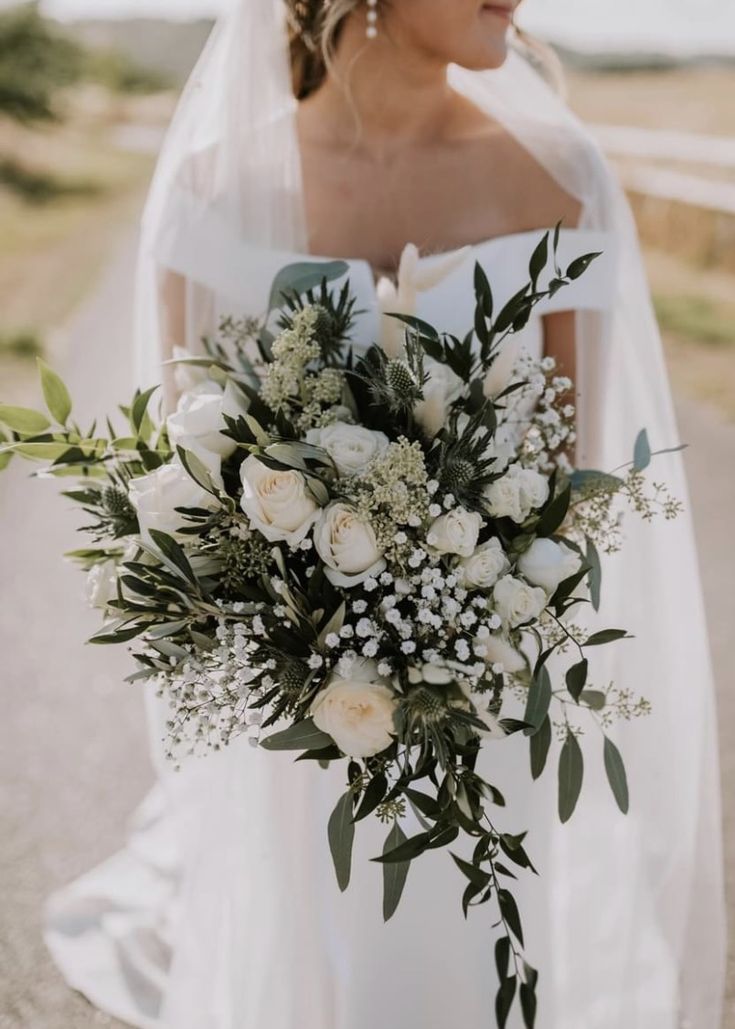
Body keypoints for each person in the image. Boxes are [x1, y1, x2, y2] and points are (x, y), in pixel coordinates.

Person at [45, 2, 726, 1027]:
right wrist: (298, 622)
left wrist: (456, 618)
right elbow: (191, 472)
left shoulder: (556, 176)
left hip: (483, 700)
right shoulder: (212, 187)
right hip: (290, 718)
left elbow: (569, 494)